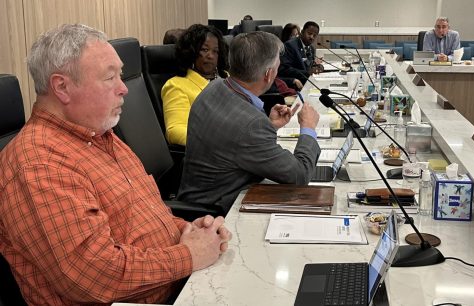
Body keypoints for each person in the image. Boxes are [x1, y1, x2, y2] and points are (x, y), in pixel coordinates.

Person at [0, 24, 231, 306]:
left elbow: (143, 217)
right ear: (62, 87)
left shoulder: (101, 135)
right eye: (110, 77)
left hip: (176, 286)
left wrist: (188, 231)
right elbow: (94, 276)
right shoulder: (39, 162)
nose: (124, 89)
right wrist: (190, 254)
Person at [178, 31, 321, 214]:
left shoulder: (215, 86)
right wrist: (308, 128)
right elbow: (300, 176)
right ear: (269, 74)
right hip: (218, 211)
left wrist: (269, 126)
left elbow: (234, 140)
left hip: (200, 193)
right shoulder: (252, 125)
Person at [162, 24, 229, 146]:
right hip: (214, 153)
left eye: (216, 51)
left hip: (243, 142)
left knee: (275, 139)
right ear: (191, 52)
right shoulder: (176, 85)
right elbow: (175, 131)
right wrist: (218, 142)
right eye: (204, 49)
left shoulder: (227, 78)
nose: (211, 55)